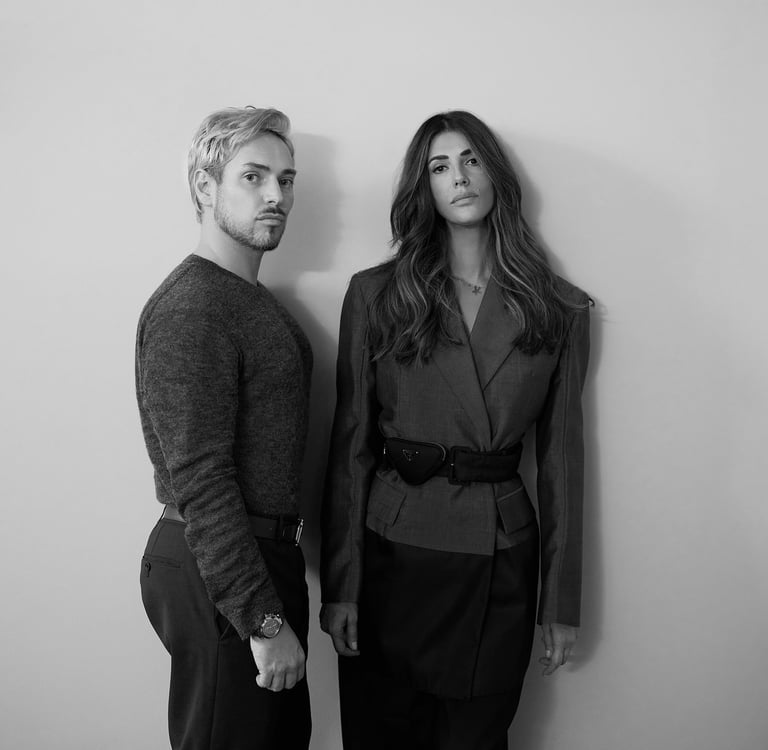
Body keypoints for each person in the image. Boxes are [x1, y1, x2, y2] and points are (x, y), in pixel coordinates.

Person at [320, 110, 591, 750]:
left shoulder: (559, 307)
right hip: (393, 559)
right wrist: (342, 588)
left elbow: (562, 462)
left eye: (471, 160)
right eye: (439, 167)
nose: (459, 178)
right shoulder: (376, 295)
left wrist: (560, 603)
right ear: (425, 188)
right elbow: (351, 449)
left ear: (495, 173)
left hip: (498, 562)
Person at [136, 106, 312, 750]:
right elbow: (201, 477)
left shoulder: (244, 298)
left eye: (286, 180)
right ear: (205, 187)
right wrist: (262, 620)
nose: (276, 196)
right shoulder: (194, 307)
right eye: (253, 176)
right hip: (221, 567)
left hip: (255, 559)